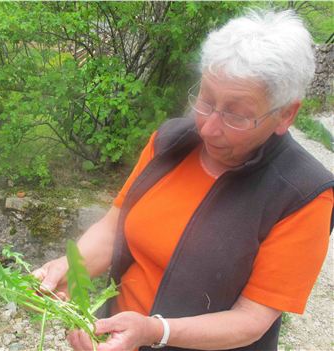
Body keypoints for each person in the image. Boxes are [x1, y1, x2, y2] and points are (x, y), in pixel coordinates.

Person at [33, 9, 334, 351]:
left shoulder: (304, 193)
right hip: (118, 335)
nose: (207, 127)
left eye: (235, 114)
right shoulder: (169, 143)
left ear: (286, 114)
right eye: (206, 100)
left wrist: (155, 332)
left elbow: (252, 319)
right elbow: (114, 227)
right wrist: (71, 271)